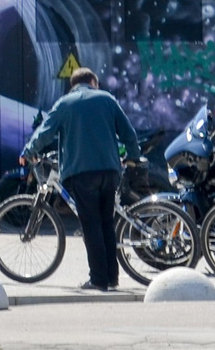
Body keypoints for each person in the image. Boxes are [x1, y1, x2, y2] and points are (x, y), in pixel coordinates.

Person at [27, 68, 140, 291]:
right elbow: (128, 132)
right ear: (93, 81)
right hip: (110, 171)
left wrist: (28, 150)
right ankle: (111, 277)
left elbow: (45, 132)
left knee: (91, 225)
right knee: (107, 223)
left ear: (73, 85)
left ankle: (98, 279)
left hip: (81, 172)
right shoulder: (107, 99)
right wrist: (133, 157)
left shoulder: (65, 103)